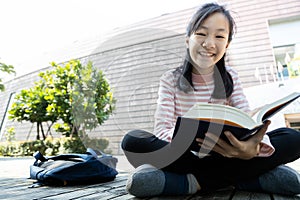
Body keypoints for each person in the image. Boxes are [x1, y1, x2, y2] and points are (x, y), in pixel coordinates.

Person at [121, 2, 300, 198]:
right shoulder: (170, 79)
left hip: (231, 153)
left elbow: (248, 118)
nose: (209, 43)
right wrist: (188, 136)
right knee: (133, 141)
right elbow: (161, 129)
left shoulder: (230, 76)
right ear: (187, 39)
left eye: (219, 36)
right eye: (201, 34)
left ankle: (193, 182)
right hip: (187, 155)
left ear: (227, 45)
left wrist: (251, 148)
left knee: (293, 138)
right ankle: (244, 178)